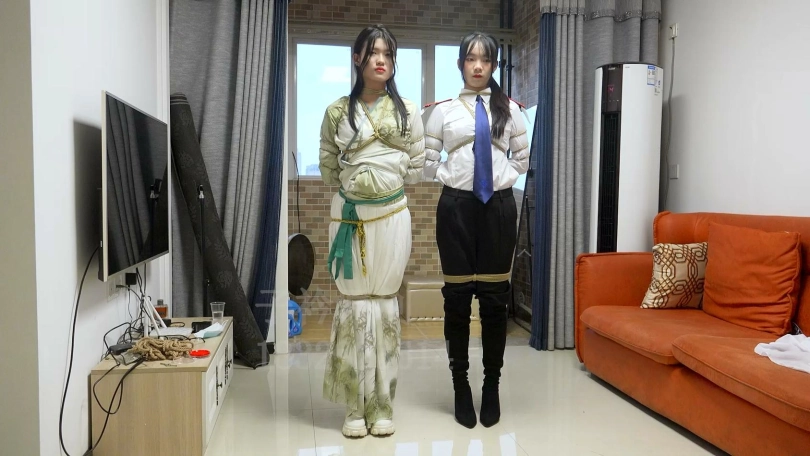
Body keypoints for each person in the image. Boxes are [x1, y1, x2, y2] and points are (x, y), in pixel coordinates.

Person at [318, 24, 425, 438]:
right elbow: (329, 166)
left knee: (383, 304)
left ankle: (382, 404)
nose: (381, 60)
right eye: (373, 52)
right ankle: (353, 406)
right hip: (349, 217)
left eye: (388, 53)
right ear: (357, 58)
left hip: (393, 216)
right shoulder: (336, 111)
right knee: (354, 306)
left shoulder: (407, 110)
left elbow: (416, 165)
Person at [423, 31, 529, 429]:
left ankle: (492, 386)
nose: (478, 66)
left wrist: (498, 180)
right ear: (461, 64)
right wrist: (455, 180)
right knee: (456, 300)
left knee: (494, 301)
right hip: (456, 209)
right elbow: (427, 161)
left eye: (486, 59)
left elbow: (521, 159)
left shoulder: (510, 110)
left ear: (494, 65)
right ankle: (460, 386)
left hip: (498, 209)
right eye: (471, 59)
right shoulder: (444, 111)